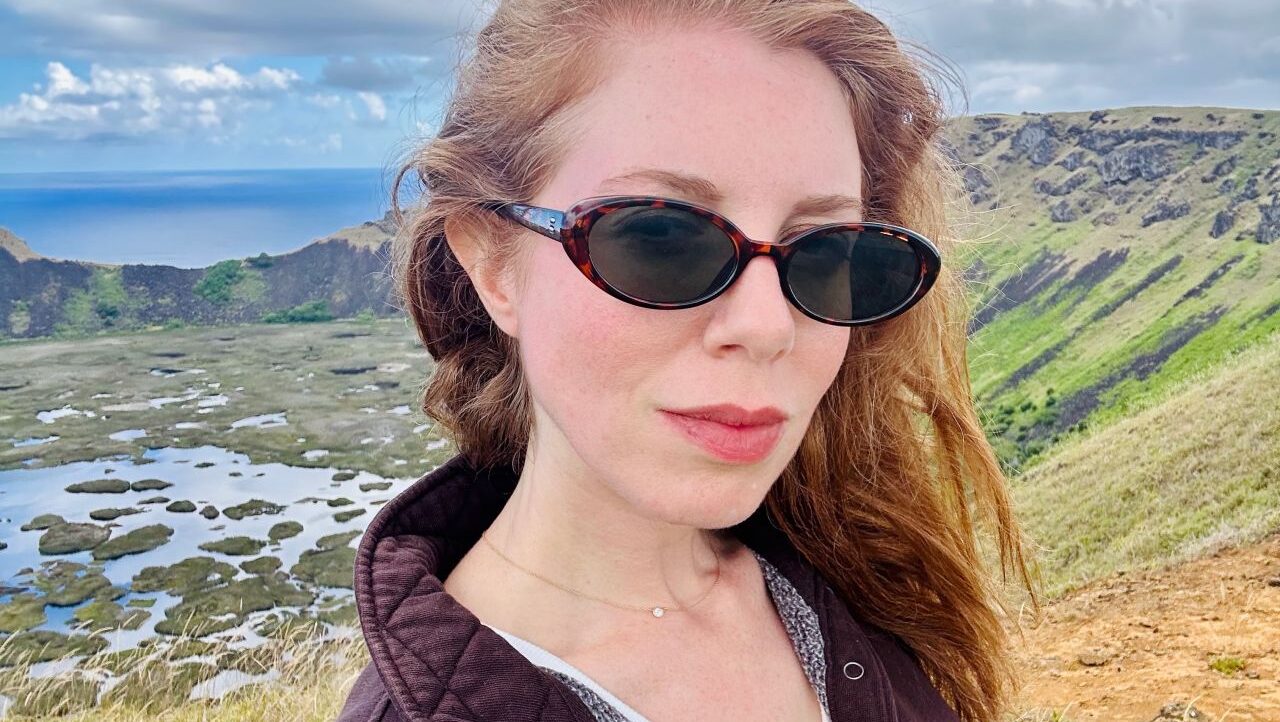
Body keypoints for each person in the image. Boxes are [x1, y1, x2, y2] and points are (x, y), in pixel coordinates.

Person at [338, 1, 1042, 720]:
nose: (768, 328)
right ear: (492, 264)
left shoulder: (861, 580)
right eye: (660, 240)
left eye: (827, 252)